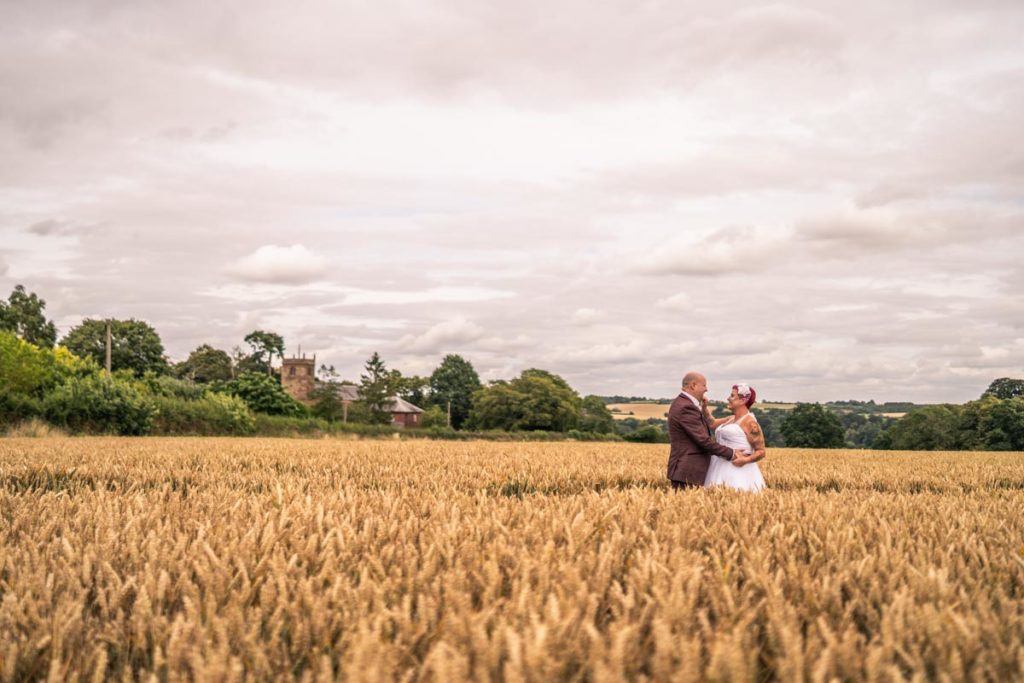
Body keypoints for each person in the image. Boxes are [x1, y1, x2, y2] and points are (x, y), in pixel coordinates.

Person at [667, 372, 750, 490]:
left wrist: (704, 408)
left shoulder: (684, 403)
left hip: (688, 470)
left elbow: (708, 424)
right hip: (688, 470)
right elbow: (703, 440)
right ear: (693, 386)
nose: (706, 389)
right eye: (704, 385)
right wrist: (732, 453)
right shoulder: (686, 407)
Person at [702, 383, 766, 491]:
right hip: (718, 466)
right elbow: (712, 423)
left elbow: (761, 451)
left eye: (732, 396)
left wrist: (745, 460)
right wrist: (704, 407)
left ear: (743, 400)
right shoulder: (731, 418)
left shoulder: (750, 423)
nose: (728, 398)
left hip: (738, 469)